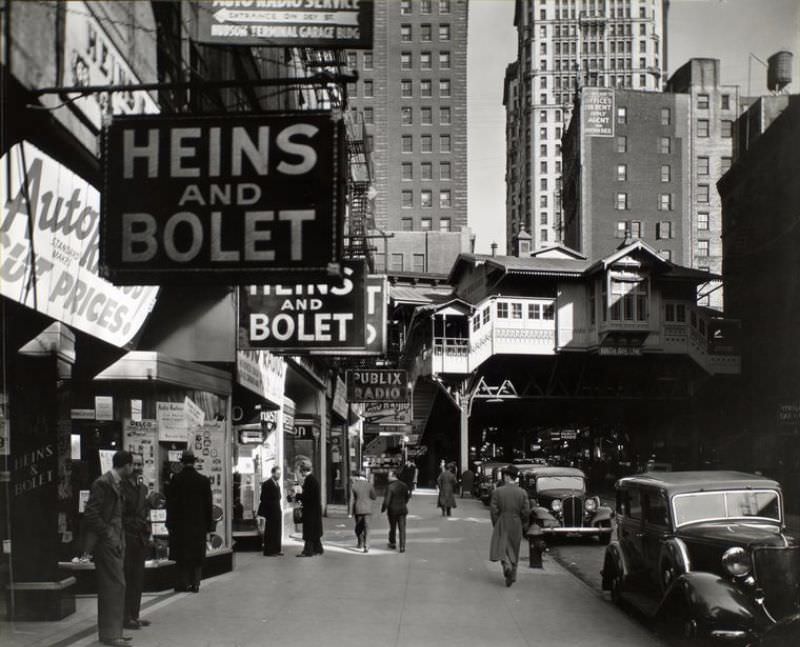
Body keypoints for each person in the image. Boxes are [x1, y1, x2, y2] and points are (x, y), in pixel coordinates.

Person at [84, 450, 134, 647]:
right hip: (108, 542)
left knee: (115, 586)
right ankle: (111, 635)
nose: (134, 469)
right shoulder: (102, 483)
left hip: (115, 541)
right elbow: (91, 513)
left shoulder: (116, 483)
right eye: (132, 465)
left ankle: (113, 632)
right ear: (126, 465)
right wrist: (108, 534)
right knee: (114, 585)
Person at [166, 450, 213, 592]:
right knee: (197, 555)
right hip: (198, 525)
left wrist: (169, 523)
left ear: (182, 462)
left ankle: (184, 583)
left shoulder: (176, 479)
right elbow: (208, 505)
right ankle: (196, 584)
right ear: (194, 462)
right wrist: (208, 525)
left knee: (182, 555)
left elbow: (171, 503)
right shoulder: (203, 480)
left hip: (180, 525)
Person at [121, 453, 152, 631]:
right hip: (128, 536)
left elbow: (143, 512)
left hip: (140, 538)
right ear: (128, 466)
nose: (138, 468)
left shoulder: (142, 488)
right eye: (135, 464)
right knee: (128, 578)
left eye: (141, 464)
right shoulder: (122, 488)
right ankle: (126, 616)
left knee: (138, 578)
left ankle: (135, 614)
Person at [489, 465, 531, 587]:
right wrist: (522, 522)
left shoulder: (498, 491)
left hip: (502, 520)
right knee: (514, 548)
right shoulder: (522, 492)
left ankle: (506, 565)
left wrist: (496, 523)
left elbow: (493, 510)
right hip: (516, 522)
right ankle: (513, 575)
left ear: (507, 476)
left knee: (503, 547)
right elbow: (526, 511)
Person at [295, 459, 324, 557]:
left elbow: (307, 496)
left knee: (309, 531)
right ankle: (318, 549)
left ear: (303, 471)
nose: (300, 474)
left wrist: (297, 495)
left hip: (310, 511)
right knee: (314, 530)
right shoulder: (313, 479)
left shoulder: (309, 480)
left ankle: (308, 551)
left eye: (301, 472)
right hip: (315, 510)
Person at [257, 466, 283, 556]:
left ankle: (276, 549)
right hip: (270, 511)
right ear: (272, 473)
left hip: (277, 510)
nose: (279, 475)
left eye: (280, 474)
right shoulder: (267, 484)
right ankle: (269, 551)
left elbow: (279, 496)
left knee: (277, 531)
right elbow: (263, 498)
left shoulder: (277, 483)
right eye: (277, 473)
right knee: (270, 531)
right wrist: (269, 507)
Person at [382, 470, 410, 552]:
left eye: (389, 475)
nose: (387, 477)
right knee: (402, 529)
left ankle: (392, 543)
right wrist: (403, 503)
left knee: (392, 527)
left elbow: (387, 500)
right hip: (402, 510)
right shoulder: (404, 485)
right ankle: (402, 546)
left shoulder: (390, 487)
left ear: (393, 476)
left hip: (392, 510)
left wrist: (383, 508)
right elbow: (407, 497)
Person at [350, 471, 377, 552]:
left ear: (358, 477)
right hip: (368, 509)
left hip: (358, 509)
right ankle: (366, 546)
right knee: (367, 528)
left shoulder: (354, 486)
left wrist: (350, 512)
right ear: (365, 476)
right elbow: (374, 497)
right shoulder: (369, 485)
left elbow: (351, 499)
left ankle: (360, 542)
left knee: (358, 527)